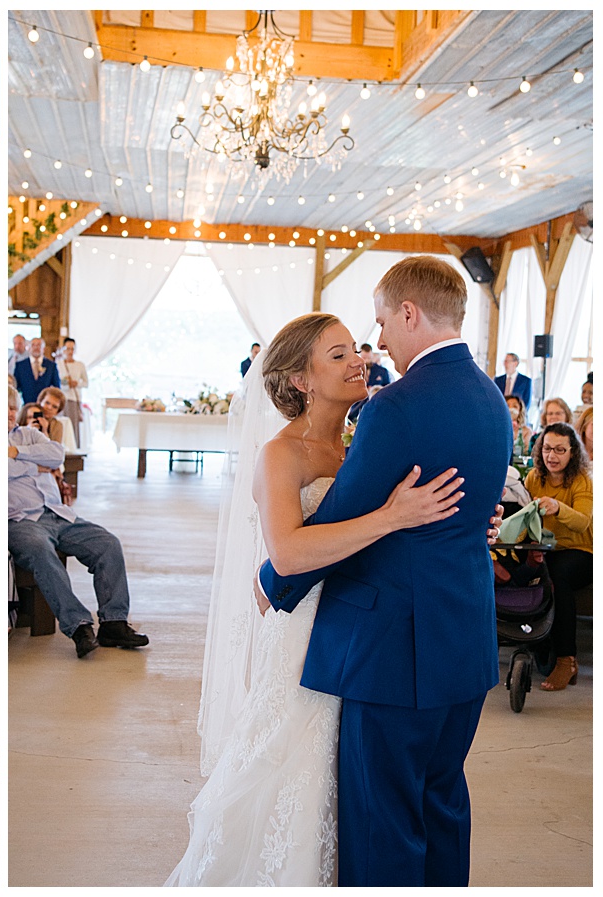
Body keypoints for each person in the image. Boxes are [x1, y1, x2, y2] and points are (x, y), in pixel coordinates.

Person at [167, 313, 473, 887]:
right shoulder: (282, 455)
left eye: (355, 348)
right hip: (306, 632)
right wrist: (389, 516)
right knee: (299, 771)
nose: (359, 359)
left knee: (357, 785)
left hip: (364, 633)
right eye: (337, 356)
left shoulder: (363, 445)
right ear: (301, 380)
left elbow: (401, 532)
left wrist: (457, 528)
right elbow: (286, 556)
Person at [256, 257, 512, 886]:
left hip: (394, 651)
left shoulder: (396, 407)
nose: (378, 348)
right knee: (443, 805)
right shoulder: (491, 398)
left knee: (382, 825)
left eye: (380, 325)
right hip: (463, 640)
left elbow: (350, 509)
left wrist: (273, 580)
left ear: (408, 313)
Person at [7, 389, 148, 658]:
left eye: (13, 408)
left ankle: (113, 623)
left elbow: (56, 454)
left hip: (58, 514)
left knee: (107, 543)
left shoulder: (28, 435)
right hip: (21, 521)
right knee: (40, 552)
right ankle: (79, 626)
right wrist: (33, 464)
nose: (10, 413)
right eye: (3, 408)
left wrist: (15, 452)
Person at [525, 423, 593, 691]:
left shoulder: (581, 480)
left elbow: (583, 523)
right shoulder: (533, 478)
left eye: (560, 450)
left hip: (582, 552)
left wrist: (557, 508)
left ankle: (567, 659)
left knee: (557, 575)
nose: (552, 456)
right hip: (546, 549)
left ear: (572, 452)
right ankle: (535, 645)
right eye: (547, 448)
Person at [57, 337, 89, 446]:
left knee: (74, 426)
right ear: (63, 349)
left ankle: (75, 450)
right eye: (68, 348)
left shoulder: (80, 365)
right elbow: (56, 382)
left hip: (74, 399)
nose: (70, 351)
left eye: (72, 349)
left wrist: (77, 383)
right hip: (61, 399)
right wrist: (66, 385)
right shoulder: (59, 364)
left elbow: (86, 383)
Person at [14, 336, 60, 405]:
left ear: (43, 349)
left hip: (45, 405)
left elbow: (56, 387)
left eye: (39, 345)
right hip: (26, 404)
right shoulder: (20, 365)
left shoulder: (51, 365)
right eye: (33, 345)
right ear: (28, 348)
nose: (36, 347)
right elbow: (16, 387)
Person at [506, 395, 534, 460]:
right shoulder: (499, 429)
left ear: (520, 410)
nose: (511, 409)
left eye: (515, 406)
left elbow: (527, 452)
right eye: (507, 406)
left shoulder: (526, 431)